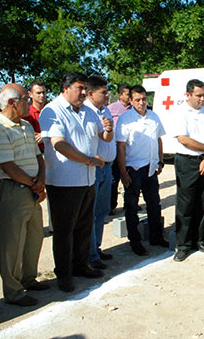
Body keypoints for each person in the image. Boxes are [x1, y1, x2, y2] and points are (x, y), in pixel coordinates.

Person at [39, 72, 113, 292]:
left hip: (87, 180)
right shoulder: (52, 111)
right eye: (79, 88)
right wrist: (89, 160)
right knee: (64, 231)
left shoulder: (90, 112)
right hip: (64, 182)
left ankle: (81, 265)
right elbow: (59, 144)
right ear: (65, 88)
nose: (83, 93)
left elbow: (104, 137)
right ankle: (63, 274)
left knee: (83, 226)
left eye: (84, 89)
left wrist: (108, 128)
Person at [0, 84, 49, 306]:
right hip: (11, 191)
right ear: (12, 102)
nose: (29, 103)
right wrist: (35, 184)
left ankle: (29, 278)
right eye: (25, 99)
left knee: (33, 238)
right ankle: (13, 292)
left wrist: (41, 181)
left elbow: (38, 156)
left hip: (30, 190)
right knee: (11, 244)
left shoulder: (25, 126)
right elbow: (8, 167)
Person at [116, 85, 168, 256]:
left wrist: (160, 161)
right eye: (137, 100)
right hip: (133, 169)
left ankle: (156, 236)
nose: (141, 103)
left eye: (144, 99)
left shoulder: (154, 116)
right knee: (131, 207)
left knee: (154, 204)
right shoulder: (125, 119)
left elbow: (158, 140)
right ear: (130, 101)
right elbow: (121, 147)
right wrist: (123, 173)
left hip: (151, 169)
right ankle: (135, 241)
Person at [172, 79, 204, 262]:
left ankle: (200, 241)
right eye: (198, 95)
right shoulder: (180, 112)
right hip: (186, 162)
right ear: (188, 95)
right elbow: (184, 139)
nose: (202, 98)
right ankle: (183, 245)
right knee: (185, 204)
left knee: (203, 202)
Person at [84, 75, 116, 269]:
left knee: (102, 211)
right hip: (93, 168)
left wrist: (109, 129)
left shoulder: (106, 111)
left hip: (108, 167)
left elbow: (108, 137)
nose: (107, 95)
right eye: (103, 92)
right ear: (90, 93)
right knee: (91, 211)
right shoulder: (86, 112)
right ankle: (90, 254)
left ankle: (96, 247)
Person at [108, 83, 131, 215]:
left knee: (130, 176)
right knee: (114, 178)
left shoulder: (133, 109)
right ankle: (111, 205)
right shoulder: (111, 109)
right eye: (127, 94)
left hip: (130, 149)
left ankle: (129, 203)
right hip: (116, 148)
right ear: (120, 95)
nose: (129, 97)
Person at [24, 80, 46, 152]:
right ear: (30, 94)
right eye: (38, 93)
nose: (42, 95)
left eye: (43, 92)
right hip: (34, 152)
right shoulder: (26, 113)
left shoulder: (51, 111)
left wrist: (44, 135)